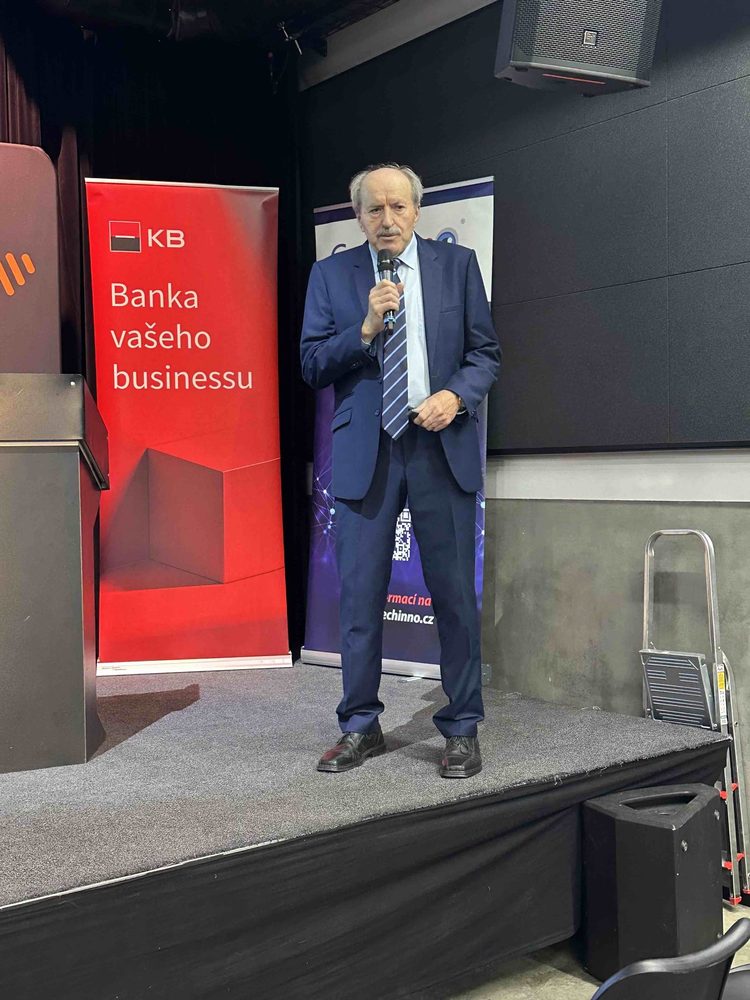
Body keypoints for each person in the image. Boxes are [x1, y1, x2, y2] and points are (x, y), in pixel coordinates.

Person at [300, 162, 500, 778]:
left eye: (398, 207)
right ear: (358, 217)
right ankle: (360, 725)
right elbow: (312, 363)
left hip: (440, 446)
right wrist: (363, 328)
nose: (387, 220)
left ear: (416, 211)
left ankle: (461, 727)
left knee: (453, 598)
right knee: (360, 598)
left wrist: (456, 396)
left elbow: (485, 354)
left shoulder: (456, 265)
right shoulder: (331, 275)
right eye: (374, 209)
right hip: (369, 453)